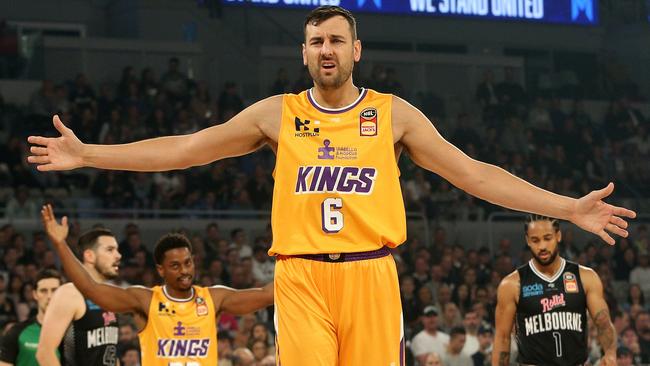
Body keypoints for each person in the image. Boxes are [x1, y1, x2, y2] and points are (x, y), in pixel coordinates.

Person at [26, 6, 635, 366]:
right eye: (316, 40)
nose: (326, 49)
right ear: (303, 52)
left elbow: (474, 174)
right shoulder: (276, 113)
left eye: (336, 40)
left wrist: (566, 207)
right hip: (300, 275)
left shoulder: (394, 114)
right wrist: (88, 155)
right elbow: (185, 148)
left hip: (371, 272)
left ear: (357, 50)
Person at [40, 204, 273, 365]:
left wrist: (307, 259)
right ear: (161, 270)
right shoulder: (146, 300)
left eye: (187, 263)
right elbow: (91, 289)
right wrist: (61, 245)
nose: (184, 270)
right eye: (175, 266)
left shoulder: (214, 298)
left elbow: (265, 294)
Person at [492, 215, 617, 366]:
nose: (542, 246)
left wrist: (610, 354)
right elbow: (503, 337)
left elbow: (603, 323)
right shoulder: (512, 284)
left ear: (558, 236)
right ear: (527, 240)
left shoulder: (585, 277)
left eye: (547, 238)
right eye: (535, 240)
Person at [36, 227, 121, 366]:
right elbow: (45, 353)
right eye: (110, 250)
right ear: (90, 256)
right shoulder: (70, 293)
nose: (118, 255)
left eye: (117, 250)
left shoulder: (111, 295)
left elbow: (110, 352)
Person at [0, 270, 62, 366]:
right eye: (43, 291)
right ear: (35, 294)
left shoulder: (73, 332)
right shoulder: (17, 332)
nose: (49, 296)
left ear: (62, 293)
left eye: (54, 290)